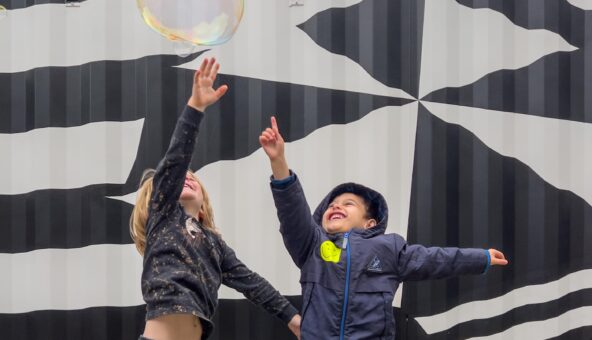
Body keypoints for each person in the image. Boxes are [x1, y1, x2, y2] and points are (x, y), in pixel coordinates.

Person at [259, 116, 508, 339]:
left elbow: (437, 260)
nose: (336, 207)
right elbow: (292, 212)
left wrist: (481, 258)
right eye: (332, 205)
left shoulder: (389, 248)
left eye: (348, 204)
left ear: (370, 223)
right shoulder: (312, 245)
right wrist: (279, 163)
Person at [130, 58, 301, 340]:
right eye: (179, 178)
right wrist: (196, 107)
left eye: (193, 178)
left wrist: (293, 319)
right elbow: (175, 160)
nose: (186, 176)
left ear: (203, 206)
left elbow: (253, 284)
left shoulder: (214, 245)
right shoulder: (163, 217)